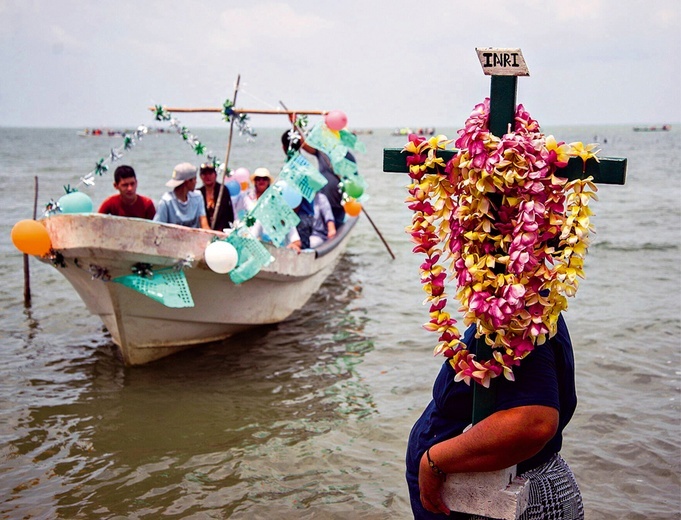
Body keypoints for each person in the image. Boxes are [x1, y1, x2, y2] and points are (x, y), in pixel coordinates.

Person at [406, 317, 583, 519]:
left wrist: (433, 462)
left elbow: (534, 423)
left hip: (505, 502)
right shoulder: (512, 307)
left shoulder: (516, 312)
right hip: (497, 495)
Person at [281, 127, 353, 230]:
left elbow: (353, 182)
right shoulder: (324, 152)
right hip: (321, 201)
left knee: (334, 225)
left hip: (338, 203)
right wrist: (296, 126)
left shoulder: (349, 158)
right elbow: (304, 144)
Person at [243, 167, 302, 253]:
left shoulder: (287, 220)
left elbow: (297, 241)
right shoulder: (262, 218)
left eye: (264, 179)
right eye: (258, 179)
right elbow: (252, 237)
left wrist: (294, 245)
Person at [153, 162, 210, 229]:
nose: (196, 182)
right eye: (194, 179)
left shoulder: (197, 197)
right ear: (187, 182)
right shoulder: (166, 202)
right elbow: (157, 227)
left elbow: (204, 224)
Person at [198, 162, 235, 231]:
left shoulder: (222, 190)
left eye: (210, 174)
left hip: (221, 229)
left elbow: (227, 213)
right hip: (204, 230)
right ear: (200, 176)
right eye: (204, 174)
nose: (207, 177)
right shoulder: (198, 193)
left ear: (215, 175)